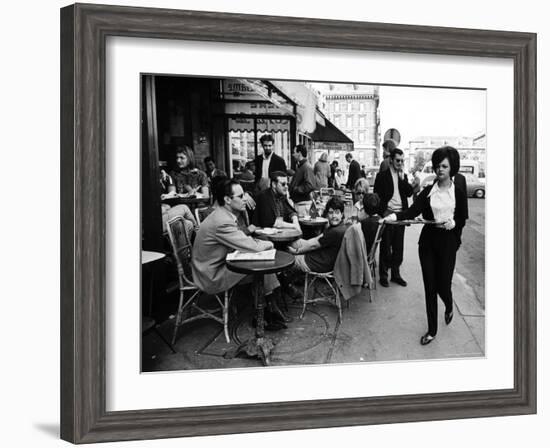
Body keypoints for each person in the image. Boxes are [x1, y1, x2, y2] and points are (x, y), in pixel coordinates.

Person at [382, 146, 468, 345]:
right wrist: (392, 216)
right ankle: (432, 330)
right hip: (428, 243)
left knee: (443, 287)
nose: (440, 169)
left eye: (444, 166)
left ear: (452, 167)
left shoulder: (459, 193)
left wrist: (454, 224)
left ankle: (448, 305)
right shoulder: (429, 191)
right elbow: (411, 211)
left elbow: (462, 218)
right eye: (437, 166)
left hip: (448, 244)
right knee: (430, 287)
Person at [191, 179, 286, 330]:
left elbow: (242, 240)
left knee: (262, 263)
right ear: (227, 199)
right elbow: (252, 246)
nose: (245, 199)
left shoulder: (222, 215)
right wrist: (270, 244)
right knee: (262, 263)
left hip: (217, 264)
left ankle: (268, 309)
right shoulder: (222, 221)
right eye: (240, 196)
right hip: (211, 275)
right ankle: (267, 310)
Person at [373, 148, 413, 287]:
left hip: (401, 215)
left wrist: (402, 179)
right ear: (391, 160)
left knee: (398, 248)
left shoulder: (403, 176)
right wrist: (383, 212)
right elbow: (376, 198)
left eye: (402, 161)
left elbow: (409, 193)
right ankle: (383, 275)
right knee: (386, 246)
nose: (400, 163)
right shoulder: (382, 176)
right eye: (398, 160)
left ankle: (395, 274)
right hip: (388, 214)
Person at [286, 196, 348, 273]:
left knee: (287, 260)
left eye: (337, 212)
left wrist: (296, 251)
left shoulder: (335, 232)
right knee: (294, 243)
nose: (334, 216)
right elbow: (317, 239)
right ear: (327, 214)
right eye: (331, 212)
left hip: (317, 264)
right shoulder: (341, 227)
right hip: (321, 258)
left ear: (342, 214)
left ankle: (285, 281)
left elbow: (313, 246)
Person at [289, 144, 316, 216]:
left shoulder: (306, 167)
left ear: (299, 153)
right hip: (300, 204)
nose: (293, 155)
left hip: (303, 205)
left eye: (294, 152)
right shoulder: (302, 166)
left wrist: (295, 189)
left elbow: (310, 185)